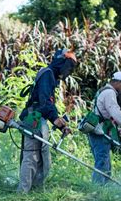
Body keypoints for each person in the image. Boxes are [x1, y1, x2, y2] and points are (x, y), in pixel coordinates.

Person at [17, 49, 77, 193]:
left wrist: (60, 124)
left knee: (42, 158)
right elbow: (44, 102)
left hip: (39, 117)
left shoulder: (51, 77)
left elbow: (48, 105)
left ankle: (35, 192)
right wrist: (55, 118)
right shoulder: (47, 74)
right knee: (31, 155)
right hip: (34, 117)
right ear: (61, 62)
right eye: (68, 67)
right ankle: (22, 193)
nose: (68, 72)